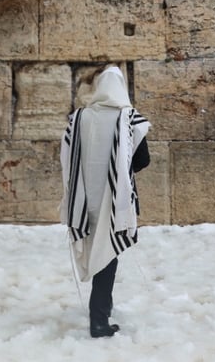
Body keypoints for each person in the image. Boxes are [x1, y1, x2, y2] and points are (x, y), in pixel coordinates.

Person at [59, 64, 151, 338]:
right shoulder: (129, 118)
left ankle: (104, 306)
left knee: (98, 250)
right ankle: (98, 319)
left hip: (84, 198)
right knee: (108, 253)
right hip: (114, 198)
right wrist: (120, 170)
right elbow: (143, 160)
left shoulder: (79, 118)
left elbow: (65, 156)